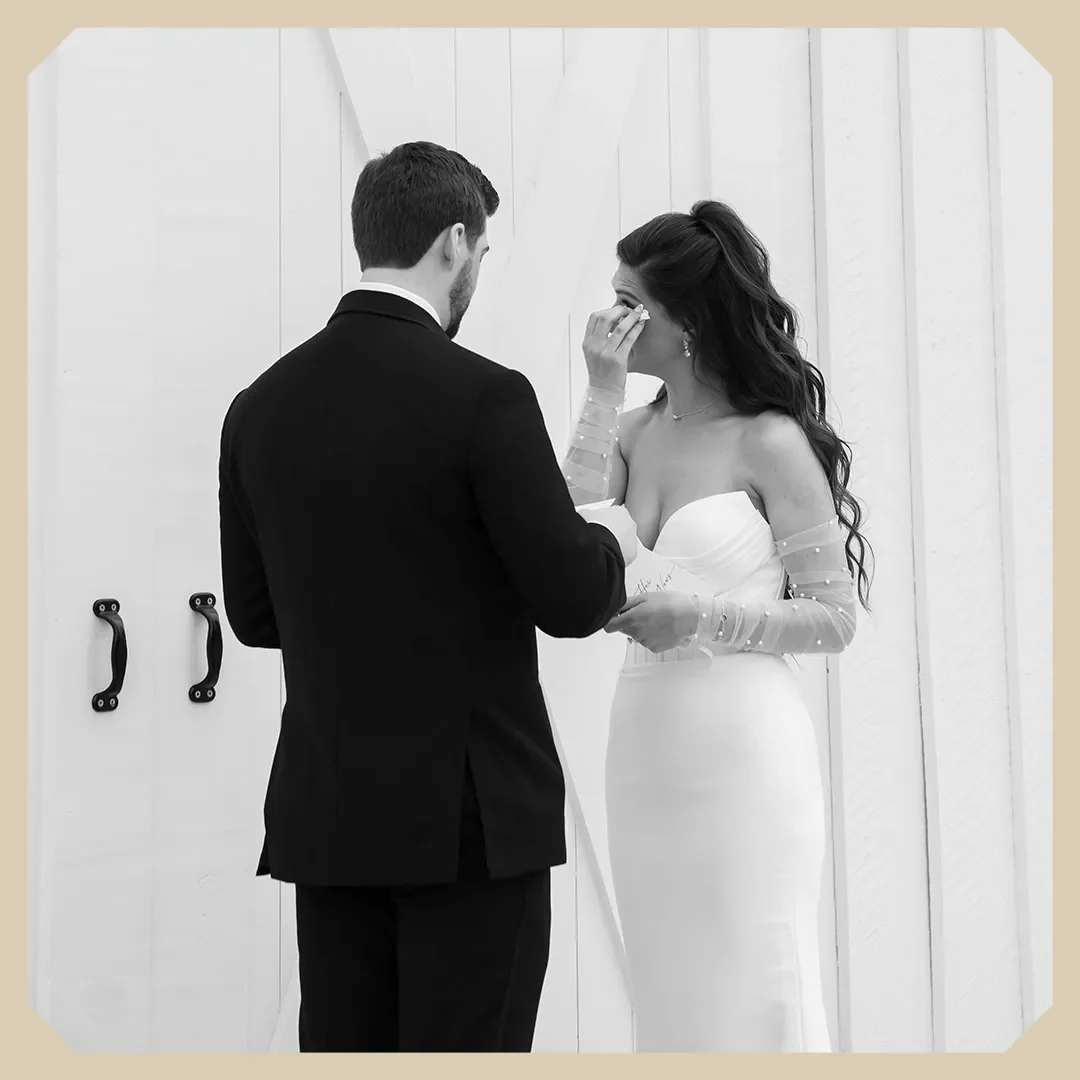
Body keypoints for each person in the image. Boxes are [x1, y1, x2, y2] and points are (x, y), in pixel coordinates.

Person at [217, 141, 638, 1052]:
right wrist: (613, 539)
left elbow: (254, 618)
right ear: (454, 241)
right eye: (481, 255)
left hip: (330, 818)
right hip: (470, 827)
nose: (476, 273)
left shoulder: (259, 406)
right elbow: (571, 598)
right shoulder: (484, 397)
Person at [561, 200, 873, 1052]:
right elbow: (571, 529)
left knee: (754, 977)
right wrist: (600, 390)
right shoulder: (626, 431)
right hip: (646, 752)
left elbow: (835, 617)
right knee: (670, 991)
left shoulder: (768, 441)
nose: (610, 321)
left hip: (743, 755)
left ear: (688, 321)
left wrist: (701, 615)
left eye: (632, 305)